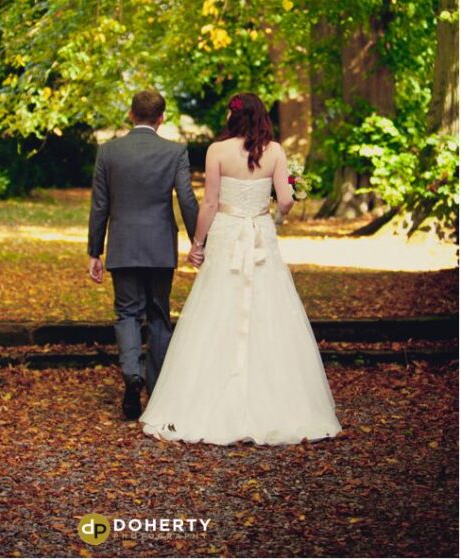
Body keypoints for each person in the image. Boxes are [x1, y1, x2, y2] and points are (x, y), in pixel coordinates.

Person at [139, 92, 342, 446]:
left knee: (218, 306)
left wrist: (197, 245)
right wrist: (288, 198)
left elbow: (211, 203)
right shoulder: (275, 152)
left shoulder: (217, 151)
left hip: (228, 233)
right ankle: (278, 405)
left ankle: (206, 402)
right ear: (262, 116)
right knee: (270, 308)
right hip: (260, 234)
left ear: (232, 118)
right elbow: (284, 202)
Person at [87, 89, 199, 420]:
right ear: (161, 118)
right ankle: (157, 389)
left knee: (127, 313)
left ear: (131, 115)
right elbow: (187, 199)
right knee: (159, 315)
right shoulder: (175, 151)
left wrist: (95, 251)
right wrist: (198, 241)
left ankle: (132, 375)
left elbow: (99, 205)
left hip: (123, 245)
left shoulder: (108, 152)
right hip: (160, 246)